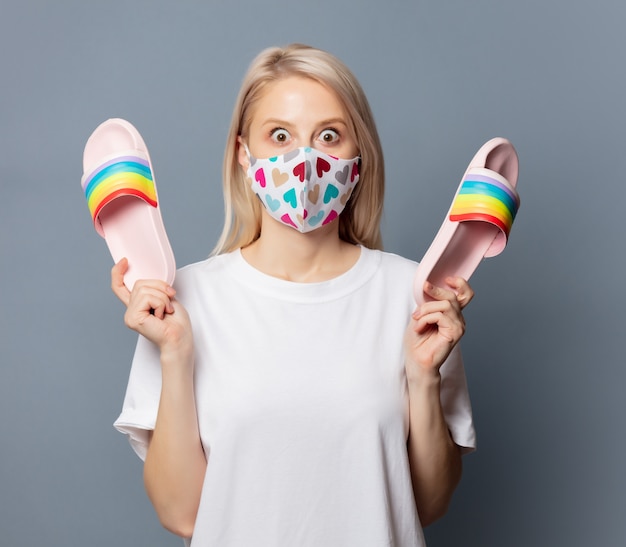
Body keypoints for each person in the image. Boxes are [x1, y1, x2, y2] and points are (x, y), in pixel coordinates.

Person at [112, 43, 476, 546]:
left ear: (359, 155)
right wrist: (175, 354)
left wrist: (423, 377)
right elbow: (182, 514)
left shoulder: (416, 297)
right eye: (279, 135)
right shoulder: (183, 301)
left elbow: (426, 504)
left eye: (329, 135)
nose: (305, 161)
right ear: (244, 154)